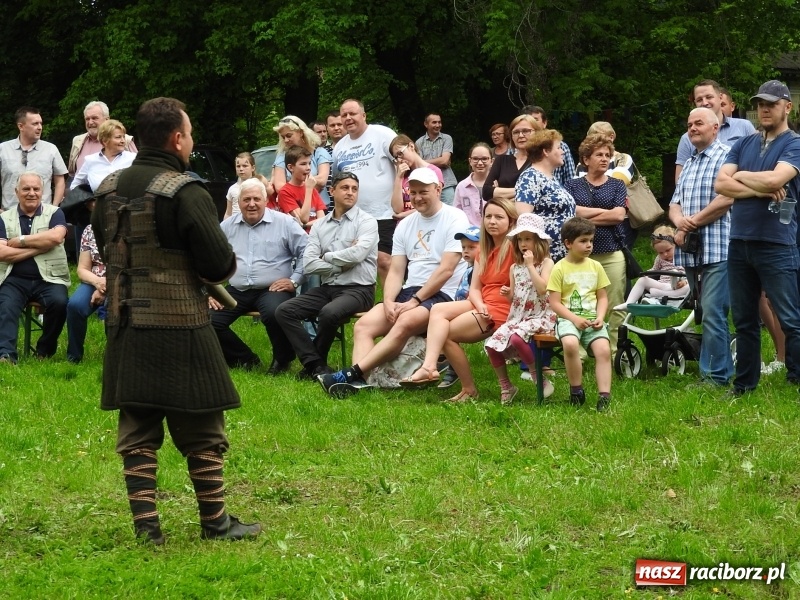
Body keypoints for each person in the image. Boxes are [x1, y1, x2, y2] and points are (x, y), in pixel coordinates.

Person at [91, 97, 260, 544]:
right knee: (203, 426)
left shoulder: (106, 190)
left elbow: (108, 250)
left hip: (125, 324)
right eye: (189, 133)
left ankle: (147, 530)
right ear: (177, 138)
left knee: (137, 429)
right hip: (181, 323)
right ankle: (216, 522)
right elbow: (220, 265)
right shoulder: (185, 190)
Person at [318, 167, 469, 397]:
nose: (417, 197)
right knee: (364, 326)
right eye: (414, 192)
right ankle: (362, 383)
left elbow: (447, 269)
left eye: (424, 192)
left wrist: (416, 300)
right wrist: (388, 300)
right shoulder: (406, 225)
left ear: (438, 189)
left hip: (442, 296)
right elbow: (396, 270)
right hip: (409, 291)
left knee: (405, 321)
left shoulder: (455, 217)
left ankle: (350, 374)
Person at [715, 80, 800, 395]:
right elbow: (721, 185)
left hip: (777, 242)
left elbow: (778, 178)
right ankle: (744, 385)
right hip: (739, 242)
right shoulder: (744, 143)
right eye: (760, 104)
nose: (765, 109)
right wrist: (757, 186)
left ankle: (796, 378)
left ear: (786, 107)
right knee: (745, 320)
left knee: (791, 319)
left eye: (772, 104)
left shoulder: (794, 144)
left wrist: (739, 176)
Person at [400, 198, 517, 403]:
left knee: (445, 335)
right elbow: (475, 289)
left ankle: (466, 388)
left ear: (511, 221)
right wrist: (480, 304)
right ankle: (430, 366)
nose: (492, 221)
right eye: (488, 216)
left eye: (499, 217)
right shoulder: (483, 250)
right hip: (482, 304)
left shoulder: (515, 249)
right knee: (438, 310)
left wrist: (484, 307)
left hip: (502, 306)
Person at [275, 171, 378, 379]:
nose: (350, 193)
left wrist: (328, 255)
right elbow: (310, 263)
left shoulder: (367, 222)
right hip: (328, 288)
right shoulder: (320, 225)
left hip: (359, 289)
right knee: (284, 310)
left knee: (329, 313)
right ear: (332, 191)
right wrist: (341, 263)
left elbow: (357, 255)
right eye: (345, 188)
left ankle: (314, 363)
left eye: (354, 189)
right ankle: (316, 365)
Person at [212, 178, 308, 373]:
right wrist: (211, 290)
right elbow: (211, 259)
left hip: (273, 288)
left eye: (257, 198)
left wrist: (294, 280)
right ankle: (244, 359)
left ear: (266, 200)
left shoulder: (285, 223)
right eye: (246, 199)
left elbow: (308, 252)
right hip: (238, 289)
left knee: (275, 313)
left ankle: (282, 360)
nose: (252, 204)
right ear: (238, 203)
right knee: (207, 321)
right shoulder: (227, 227)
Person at [670, 107, 734, 387]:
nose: (692, 128)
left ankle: (717, 376)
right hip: (691, 250)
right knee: (704, 313)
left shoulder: (727, 158)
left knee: (713, 310)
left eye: (699, 123)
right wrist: (680, 223)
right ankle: (713, 370)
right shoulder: (691, 162)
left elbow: (727, 199)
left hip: (718, 248)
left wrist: (689, 223)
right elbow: (674, 203)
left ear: (715, 127)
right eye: (689, 124)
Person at [564, 133, 628, 354]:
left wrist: (585, 219)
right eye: (598, 154)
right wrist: (605, 213)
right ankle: (579, 352)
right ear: (585, 159)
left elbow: (619, 216)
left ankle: (613, 351)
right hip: (580, 256)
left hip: (611, 252)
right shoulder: (571, 185)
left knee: (615, 303)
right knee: (577, 301)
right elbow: (572, 214)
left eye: (607, 155)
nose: (604, 158)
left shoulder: (618, 185)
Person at [484, 213, 557, 403]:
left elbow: (542, 290)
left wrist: (531, 266)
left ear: (539, 241)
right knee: (491, 345)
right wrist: (508, 294)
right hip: (519, 317)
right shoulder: (515, 268)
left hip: (541, 316)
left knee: (516, 339)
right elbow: (515, 300)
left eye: (528, 239)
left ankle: (537, 377)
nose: (523, 243)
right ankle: (506, 386)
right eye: (520, 239)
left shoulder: (547, 263)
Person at [0, 172, 69, 363]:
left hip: (49, 278)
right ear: (16, 192)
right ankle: (6, 354)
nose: (31, 193)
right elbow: (2, 253)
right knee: (5, 305)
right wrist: (38, 248)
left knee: (60, 303)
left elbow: (56, 237)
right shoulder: (4, 218)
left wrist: (20, 240)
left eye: (36, 189)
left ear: (43, 191)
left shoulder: (55, 213)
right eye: (26, 189)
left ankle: (44, 351)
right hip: (13, 278)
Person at [547, 217, 612, 412]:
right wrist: (575, 319)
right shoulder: (559, 268)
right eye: (583, 241)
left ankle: (604, 397)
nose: (589, 245)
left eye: (591, 241)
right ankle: (576, 390)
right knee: (570, 343)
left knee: (603, 350)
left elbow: (602, 298)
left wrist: (600, 316)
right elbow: (554, 303)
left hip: (592, 319)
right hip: (568, 318)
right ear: (568, 243)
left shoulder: (595, 266)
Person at [333, 99, 398, 285]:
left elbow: (403, 162)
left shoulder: (383, 134)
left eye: (352, 113)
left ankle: (391, 304)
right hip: (354, 215)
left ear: (363, 115)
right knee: (354, 262)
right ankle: (360, 303)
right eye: (344, 115)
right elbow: (339, 181)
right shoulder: (340, 147)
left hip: (383, 211)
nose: (348, 118)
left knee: (384, 260)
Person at [675, 79, 755, 181]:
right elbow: (680, 181)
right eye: (699, 100)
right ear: (695, 103)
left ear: (720, 97)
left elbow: (758, 162)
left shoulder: (744, 127)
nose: (704, 103)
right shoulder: (688, 138)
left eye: (709, 97)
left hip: (739, 193)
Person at [515, 129, 576, 261]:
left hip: (563, 255)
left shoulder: (551, 179)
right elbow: (525, 219)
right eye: (559, 147)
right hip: (546, 257)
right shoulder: (531, 177)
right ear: (546, 151)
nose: (562, 151)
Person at [577, 121, 637, 248]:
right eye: (591, 137)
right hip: (595, 217)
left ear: (611, 137)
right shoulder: (582, 164)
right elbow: (576, 191)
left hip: (620, 222)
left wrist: (584, 217)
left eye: (598, 136)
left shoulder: (623, 158)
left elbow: (613, 186)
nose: (595, 140)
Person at [0, 107, 68, 209]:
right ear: (21, 126)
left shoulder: (51, 149)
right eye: (35, 124)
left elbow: (60, 180)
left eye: (40, 123)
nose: (40, 127)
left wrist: (54, 208)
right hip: (9, 214)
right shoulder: (3, 149)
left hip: (43, 215)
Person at [66, 198, 105, 363]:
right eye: (94, 203)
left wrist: (105, 286)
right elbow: (82, 269)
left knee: (114, 308)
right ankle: (74, 357)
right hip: (94, 280)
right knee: (75, 305)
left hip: (120, 280)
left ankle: (115, 357)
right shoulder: (89, 230)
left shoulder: (126, 228)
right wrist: (97, 283)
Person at [613, 226, 689, 310]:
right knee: (642, 280)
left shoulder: (683, 256)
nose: (665, 255)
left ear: (676, 244)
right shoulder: (659, 259)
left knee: (689, 286)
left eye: (668, 250)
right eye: (661, 252)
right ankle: (628, 303)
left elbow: (693, 273)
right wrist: (646, 275)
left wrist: (685, 282)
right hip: (663, 285)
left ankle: (658, 294)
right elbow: (654, 270)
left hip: (681, 286)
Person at [271, 115, 332, 207]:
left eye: (289, 135)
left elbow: (322, 179)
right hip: (294, 209)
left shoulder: (319, 152)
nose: (286, 140)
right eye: (283, 137)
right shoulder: (282, 156)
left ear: (300, 132)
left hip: (320, 210)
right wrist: (311, 184)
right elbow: (279, 186)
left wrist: (292, 186)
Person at [68, 101, 137, 177]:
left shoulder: (125, 140)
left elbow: (138, 168)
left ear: (107, 120)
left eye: (94, 118)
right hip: (81, 188)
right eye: (87, 119)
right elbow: (72, 174)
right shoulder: (78, 141)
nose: (90, 122)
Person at [483, 115, 538, 201]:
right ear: (511, 136)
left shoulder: (542, 161)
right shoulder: (501, 161)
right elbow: (486, 192)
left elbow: (542, 192)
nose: (520, 135)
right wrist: (526, 190)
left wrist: (499, 193)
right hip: (504, 213)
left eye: (526, 131)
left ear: (537, 133)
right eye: (516, 132)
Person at [71, 120, 136, 192]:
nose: (123, 140)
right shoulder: (90, 160)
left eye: (123, 137)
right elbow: (74, 186)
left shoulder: (133, 158)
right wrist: (88, 201)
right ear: (105, 141)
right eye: (118, 137)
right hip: (98, 202)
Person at [389, 134, 444, 220]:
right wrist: (399, 177)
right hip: (404, 226)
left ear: (411, 146)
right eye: (396, 157)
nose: (399, 159)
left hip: (425, 222)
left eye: (400, 153)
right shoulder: (403, 175)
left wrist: (403, 215)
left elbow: (434, 203)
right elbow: (397, 209)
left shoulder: (433, 171)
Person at [277, 145, 327, 231]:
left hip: (315, 236)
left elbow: (322, 219)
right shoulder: (285, 192)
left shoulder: (310, 187)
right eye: (303, 164)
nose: (308, 168)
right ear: (291, 167)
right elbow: (303, 219)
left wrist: (305, 225)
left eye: (309, 163)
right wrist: (308, 190)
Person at [524, 106, 576, 185]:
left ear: (544, 123)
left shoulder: (561, 146)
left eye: (535, 119)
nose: (532, 123)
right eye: (528, 120)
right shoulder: (516, 149)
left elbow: (571, 179)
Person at [415, 113, 457, 204]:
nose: (438, 125)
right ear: (426, 124)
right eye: (434, 122)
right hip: (428, 185)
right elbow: (418, 165)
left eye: (439, 122)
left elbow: (444, 160)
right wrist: (440, 160)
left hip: (447, 183)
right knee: (431, 213)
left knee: (450, 211)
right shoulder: (419, 143)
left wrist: (423, 162)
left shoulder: (447, 138)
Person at [454, 143, 493, 227]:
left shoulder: (498, 184)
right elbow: (456, 213)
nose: (480, 163)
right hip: (469, 233)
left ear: (492, 161)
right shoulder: (461, 186)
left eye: (484, 159)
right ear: (470, 161)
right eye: (475, 159)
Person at [224, 151, 272, 218]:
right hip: (237, 224)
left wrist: (264, 183)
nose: (241, 169)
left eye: (245, 166)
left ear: (253, 168)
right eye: (238, 166)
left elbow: (271, 193)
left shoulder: (260, 183)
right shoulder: (232, 189)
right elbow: (228, 213)